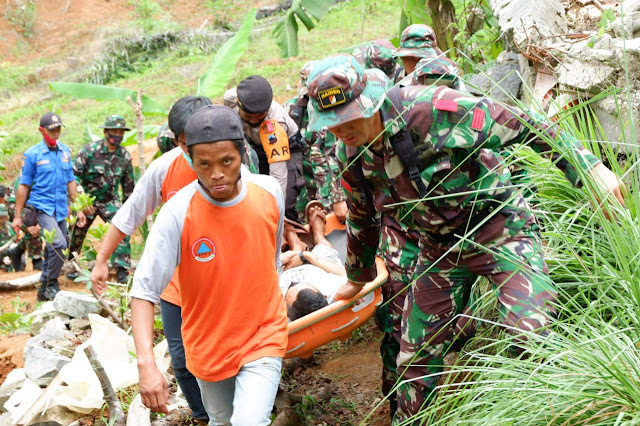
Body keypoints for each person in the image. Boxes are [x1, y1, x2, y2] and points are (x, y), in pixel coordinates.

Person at [305, 55, 625, 422]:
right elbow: (362, 218)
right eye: (330, 122)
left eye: (346, 117)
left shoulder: (431, 110)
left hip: (500, 230)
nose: (339, 129)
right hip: (439, 249)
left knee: (531, 335)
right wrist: (356, 278)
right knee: (413, 362)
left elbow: (523, 123)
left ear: (371, 101)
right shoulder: (353, 157)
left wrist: (591, 169)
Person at [130, 104, 287, 425]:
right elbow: (144, 291)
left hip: (263, 332)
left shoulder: (268, 193)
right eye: (204, 164)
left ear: (242, 153)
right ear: (189, 158)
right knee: (221, 420)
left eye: (226, 161)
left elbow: (272, 259)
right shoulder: (177, 214)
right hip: (208, 344)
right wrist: (146, 364)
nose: (216, 174)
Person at [91, 96, 212, 423]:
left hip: (222, 280)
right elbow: (128, 216)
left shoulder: (234, 162)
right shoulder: (165, 168)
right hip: (178, 284)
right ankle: (203, 418)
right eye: (191, 143)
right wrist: (101, 260)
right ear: (178, 141)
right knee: (183, 358)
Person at [12, 112, 86, 301]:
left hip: (60, 208)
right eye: (52, 130)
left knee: (56, 248)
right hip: (42, 207)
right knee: (58, 245)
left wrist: (78, 208)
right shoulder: (32, 155)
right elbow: (23, 185)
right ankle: (52, 282)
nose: (56, 133)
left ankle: (43, 289)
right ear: (41, 130)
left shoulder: (65, 152)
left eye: (58, 129)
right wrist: (18, 215)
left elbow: (70, 181)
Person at [224, 75, 303, 220]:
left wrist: (277, 213)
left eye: (260, 116)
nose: (254, 121)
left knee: (287, 200)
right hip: (257, 147)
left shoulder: (276, 124)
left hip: (287, 149)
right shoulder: (231, 99)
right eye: (248, 116)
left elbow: (278, 176)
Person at [69, 115, 135, 283]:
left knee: (122, 225)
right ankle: (70, 264)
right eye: (114, 131)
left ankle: (121, 269)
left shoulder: (125, 156)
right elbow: (73, 176)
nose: (117, 135)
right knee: (76, 230)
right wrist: (81, 201)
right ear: (106, 132)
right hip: (87, 200)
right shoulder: (89, 151)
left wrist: (131, 211)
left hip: (109, 201)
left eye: (120, 132)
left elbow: (128, 187)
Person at [285, 61, 348, 227]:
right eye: (307, 94)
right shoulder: (292, 109)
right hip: (304, 186)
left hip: (333, 187)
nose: (310, 99)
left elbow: (337, 153)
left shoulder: (337, 109)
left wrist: (338, 196)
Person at [280, 203, 347, 320]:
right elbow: (345, 275)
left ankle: (294, 243)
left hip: (283, 269)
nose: (295, 281)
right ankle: (318, 237)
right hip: (316, 263)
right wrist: (307, 257)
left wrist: (279, 261)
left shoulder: (278, 307)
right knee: (325, 248)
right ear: (324, 295)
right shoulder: (332, 292)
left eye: (292, 285)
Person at [0, 183, 43, 270]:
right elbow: (12, 207)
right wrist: (26, 227)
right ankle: (36, 258)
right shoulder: (13, 191)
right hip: (20, 213)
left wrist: (41, 224)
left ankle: (18, 251)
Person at [0, 204, 23, 272]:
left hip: (9, 255)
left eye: (2, 218)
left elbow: (21, 239)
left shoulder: (11, 227)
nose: (0, 220)